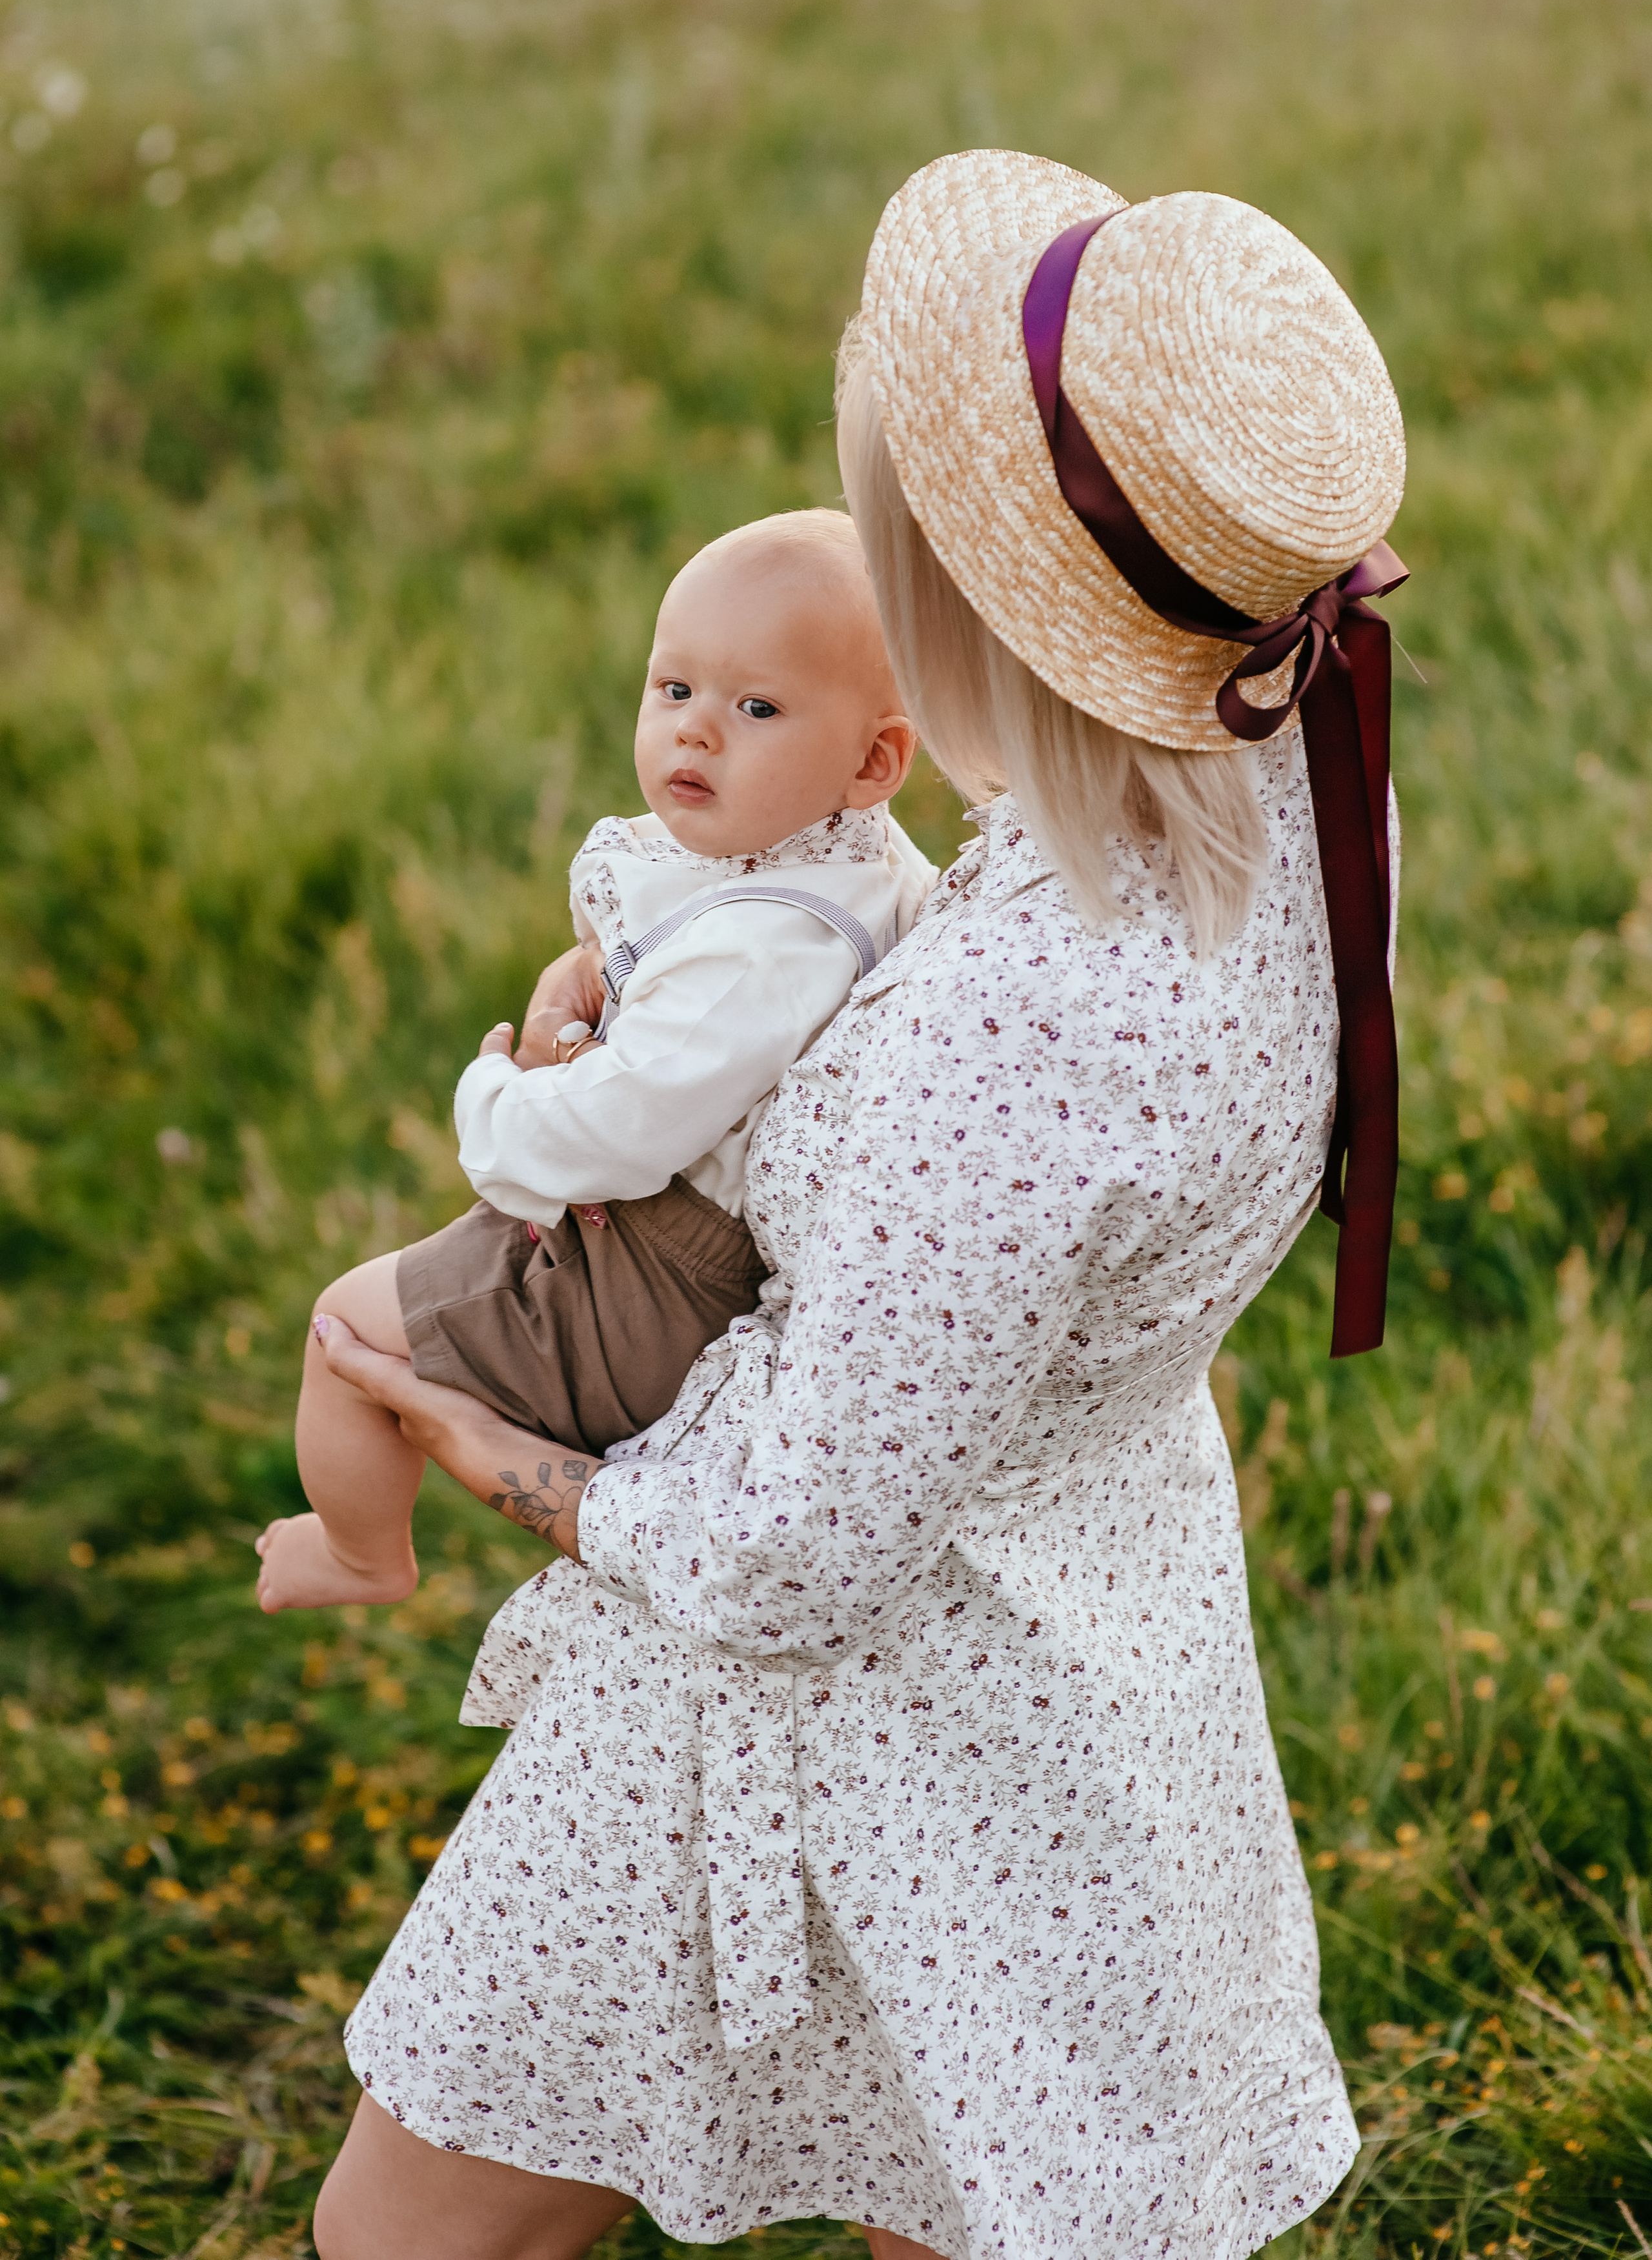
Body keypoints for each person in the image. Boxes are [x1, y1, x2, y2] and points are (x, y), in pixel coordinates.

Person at [305, 150, 1407, 2260]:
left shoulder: (1006, 1044)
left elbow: (793, 1554)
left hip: (813, 1705)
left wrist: (493, 1445)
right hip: (1101, 1633)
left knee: (412, 2232)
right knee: (970, 2173)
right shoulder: (1281, 770)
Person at [254, 510, 930, 1613]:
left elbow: (606, 1132)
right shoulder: (835, 851)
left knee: (346, 1332)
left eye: (756, 707)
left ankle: (360, 1553)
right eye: (675, 691)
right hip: (656, 1228)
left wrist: (502, 1096)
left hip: (652, 1277)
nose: (697, 735)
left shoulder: (770, 949)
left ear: (873, 759)